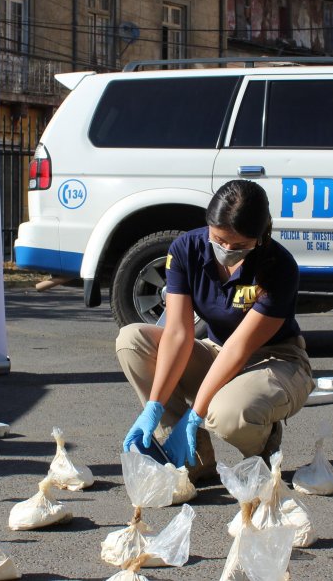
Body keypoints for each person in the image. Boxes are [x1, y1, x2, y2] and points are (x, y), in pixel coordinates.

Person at [117, 179, 314, 477]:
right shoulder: (186, 249)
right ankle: (191, 455)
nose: (226, 249)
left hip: (274, 361)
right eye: (219, 239)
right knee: (132, 340)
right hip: (218, 350)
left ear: (259, 237)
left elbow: (240, 348)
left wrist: (196, 414)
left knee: (227, 415)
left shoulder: (279, 266)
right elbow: (179, 333)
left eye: (239, 245)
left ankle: (261, 449)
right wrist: (154, 406)